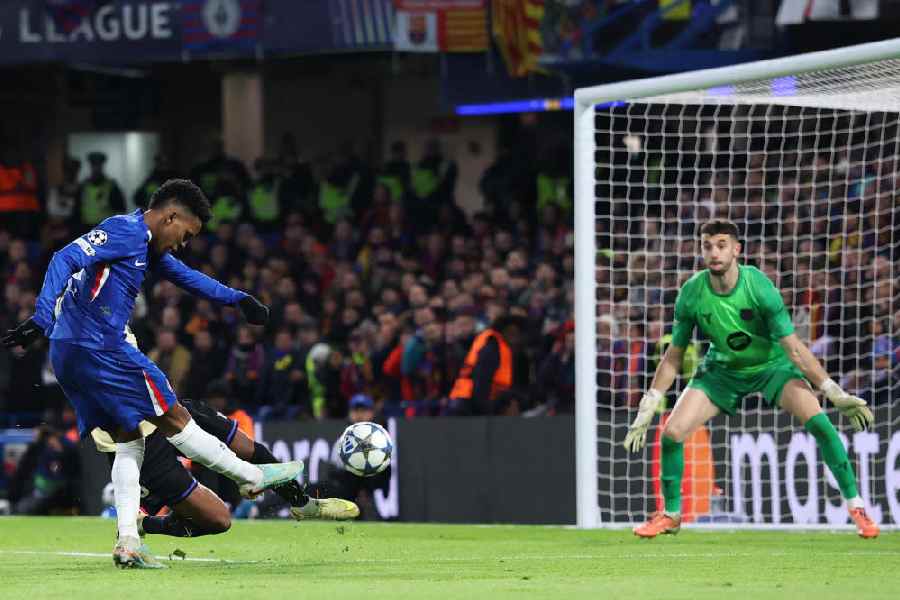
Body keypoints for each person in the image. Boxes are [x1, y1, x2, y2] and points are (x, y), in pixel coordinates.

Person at [2, 179, 303, 568]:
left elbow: (187, 277)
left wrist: (238, 300)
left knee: (130, 442)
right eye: (186, 233)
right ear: (171, 215)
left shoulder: (145, 244)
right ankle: (251, 477)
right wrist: (42, 315)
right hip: (101, 347)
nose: (184, 242)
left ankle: (128, 541)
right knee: (176, 416)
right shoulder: (124, 230)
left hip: (70, 353)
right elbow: (64, 257)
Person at [623, 219, 879, 539]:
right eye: (707, 246)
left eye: (721, 245)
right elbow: (673, 355)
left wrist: (833, 391)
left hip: (771, 367)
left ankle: (857, 508)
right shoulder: (691, 293)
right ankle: (671, 515)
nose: (714, 253)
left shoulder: (759, 287)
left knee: (821, 424)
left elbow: (795, 349)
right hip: (722, 372)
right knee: (672, 433)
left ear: (736, 250)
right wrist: (649, 402)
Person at [90, 393, 359, 539]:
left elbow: (251, 450)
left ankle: (303, 504)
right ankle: (139, 526)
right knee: (219, 520)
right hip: (140, 441)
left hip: (168, 409)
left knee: (251, 449)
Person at [447, 314, 527, 416]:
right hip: (469, 402)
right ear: (503, 331)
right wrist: (487, 411)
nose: (515, 336)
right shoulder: (492, 348)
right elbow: (481, 380)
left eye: (517, 333)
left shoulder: (506, 349)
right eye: (511, 332)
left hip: (473, 399)